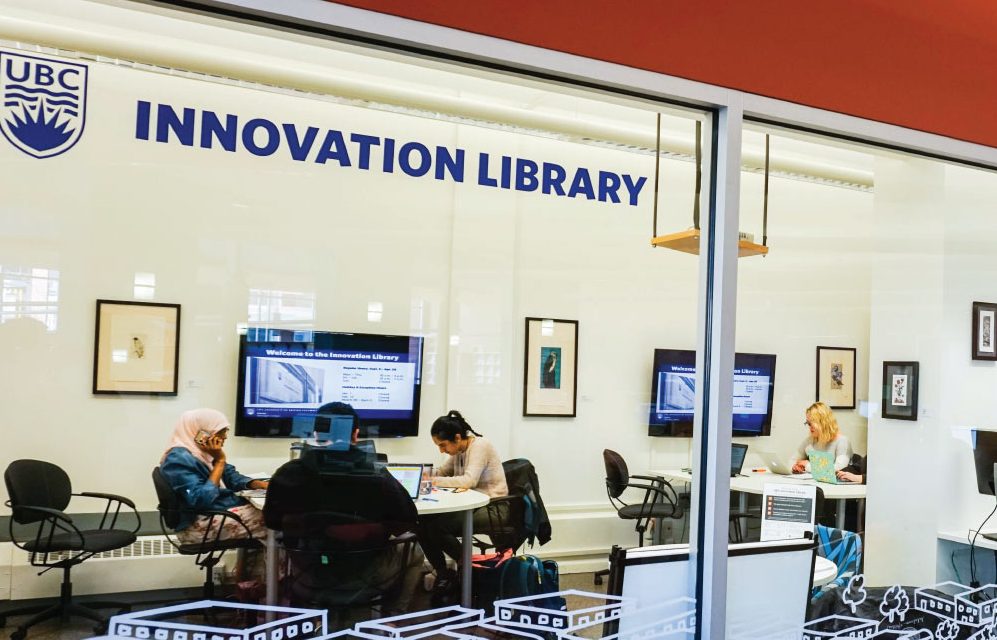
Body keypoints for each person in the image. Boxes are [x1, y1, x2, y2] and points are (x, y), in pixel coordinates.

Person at [264, 402, 423, 614]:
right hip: (364, 577)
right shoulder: (376, 475)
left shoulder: (289, 473)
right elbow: (407, 520)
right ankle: (390, 619)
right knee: (415, 551)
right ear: (356, 434)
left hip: (308, 576)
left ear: (317, 433)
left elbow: (272, 521)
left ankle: (293, 619)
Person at [159, 409, 269, 566]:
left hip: (214, 513)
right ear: (201, 434)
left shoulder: (200, 453)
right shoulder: (178, 459)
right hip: (198, 525)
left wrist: (259, 484)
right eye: (221, 432)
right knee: (277, 520)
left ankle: (253, 583)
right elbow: (200, 499)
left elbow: (231, 476)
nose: (225, 437)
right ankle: (275, 582)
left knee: (272, 517)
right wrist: (220, 462)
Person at [420, 410, 508, 602]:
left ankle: (470, 569)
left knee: (437, 526)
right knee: (421, 522)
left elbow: (468, 481)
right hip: (473, 505)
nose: (441, 451)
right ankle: (444, 573)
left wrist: (432, 481)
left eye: (443, 445)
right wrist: (420, 474)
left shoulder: (480, 446)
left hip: (494, 507)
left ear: (457, 438)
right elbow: (443, 471)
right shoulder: (460, 449)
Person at [792, 402, 852, 473]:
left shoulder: (842, 441)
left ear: (823, 422)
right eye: (808, 423)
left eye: (811, 423)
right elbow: (793, 460)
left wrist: (808, 465)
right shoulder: (810, 440)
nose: (809, 426)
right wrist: (795, 466)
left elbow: (839, 469)